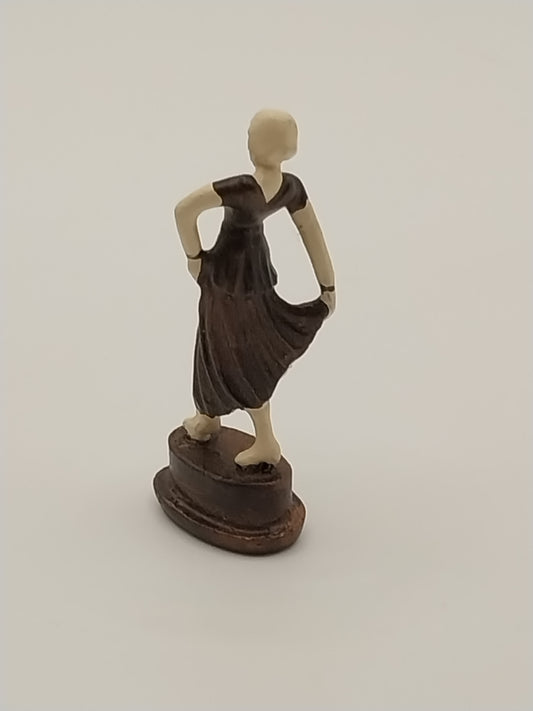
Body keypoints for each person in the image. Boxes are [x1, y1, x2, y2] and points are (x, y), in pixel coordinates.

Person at [174, 109, 336, 466]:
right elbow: (310, 229)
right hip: (251, 275)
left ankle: (265, 439)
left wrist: (194, 257)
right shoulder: (290, 187)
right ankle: (208, 416)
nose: (247, 138)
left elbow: (184, 210)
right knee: (216, 345)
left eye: (253, 133)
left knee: (239, 352)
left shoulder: (243, 188)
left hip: (228, 277)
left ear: (268, 145)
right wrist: (328, 284)